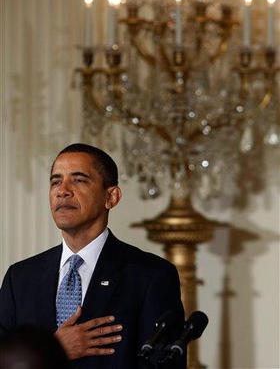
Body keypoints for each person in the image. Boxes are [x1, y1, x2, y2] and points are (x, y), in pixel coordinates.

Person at [0, 143, 185, 369]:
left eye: (78, 180)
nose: (63, 190)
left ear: (111, 197)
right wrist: (53, 348)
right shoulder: (20, 278)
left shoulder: (150, 275)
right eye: (56, 181)